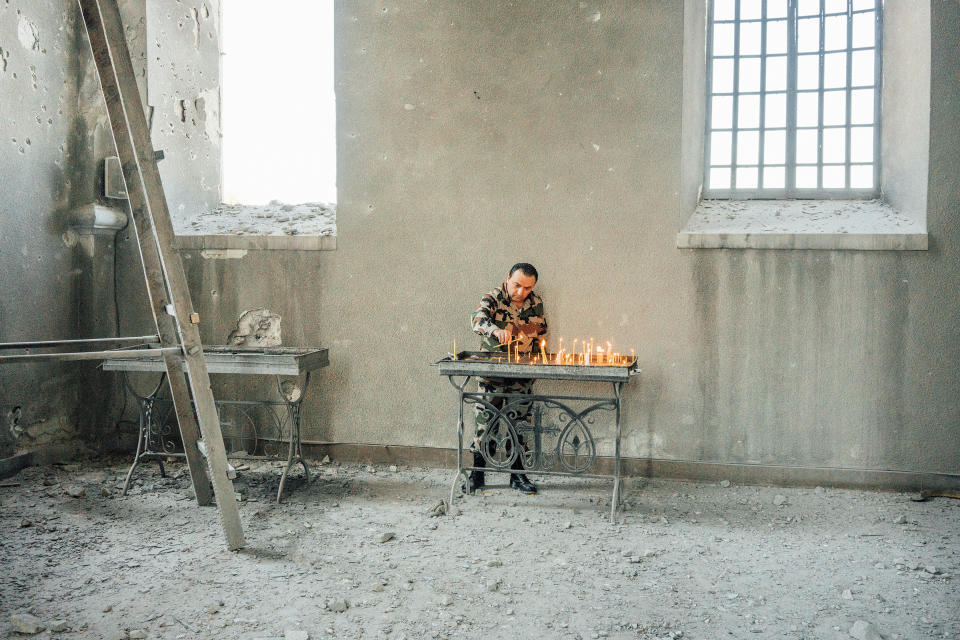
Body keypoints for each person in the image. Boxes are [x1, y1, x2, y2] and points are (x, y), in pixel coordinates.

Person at [469, 263, 547, 494]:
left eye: (527, 287)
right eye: (517, 285)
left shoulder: (536, 303)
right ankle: (477, 475)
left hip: (521, 374)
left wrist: (540, 363)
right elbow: (477, 319)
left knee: (520, 424)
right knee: (485, 424)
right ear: (507, 278)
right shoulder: (493, 297)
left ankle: (518, 475)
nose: (521, 292)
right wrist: (494, 330)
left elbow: (541, 334)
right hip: (492, 374)